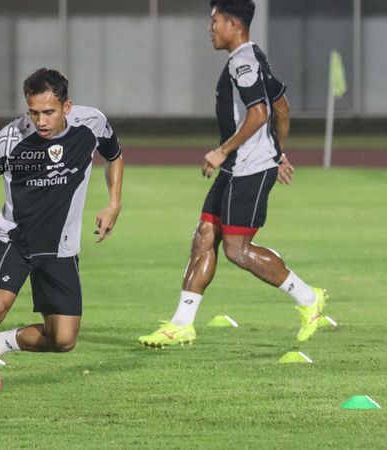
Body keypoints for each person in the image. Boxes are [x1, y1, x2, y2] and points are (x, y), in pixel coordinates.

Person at [0, 68, 124, 420]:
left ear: (66, 106)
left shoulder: (92, 124)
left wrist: (114, 201)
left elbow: (114, 156)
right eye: (33, 112)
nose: (40, 120)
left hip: (61, 248)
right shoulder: (10, 139)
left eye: (48, 112)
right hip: (16, 240)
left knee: (64, 339)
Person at [138, 0, 326, 348]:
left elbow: (258, 113)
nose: (210, 28)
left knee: (237, 250)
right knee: (204, 235)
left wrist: (226, 150)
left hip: (248, 170)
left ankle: (309, 298)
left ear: (233, 23)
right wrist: (277, 152)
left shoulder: (242, 62)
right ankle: (182, 324)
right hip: (240, 166)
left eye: (214, 21)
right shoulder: (254, 56)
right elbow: (281, 108)